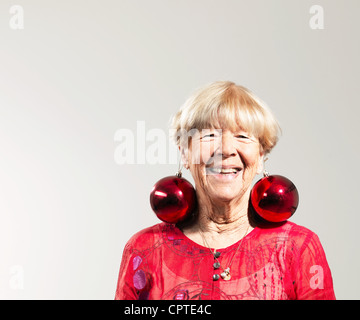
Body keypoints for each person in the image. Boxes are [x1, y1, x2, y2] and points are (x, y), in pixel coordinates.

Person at [115, 81, 335, 300]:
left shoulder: (299, 247)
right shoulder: (145, 248)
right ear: (185, 154)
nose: (226, 149)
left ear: (260, 157)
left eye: (242, 136)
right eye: (209, 135)